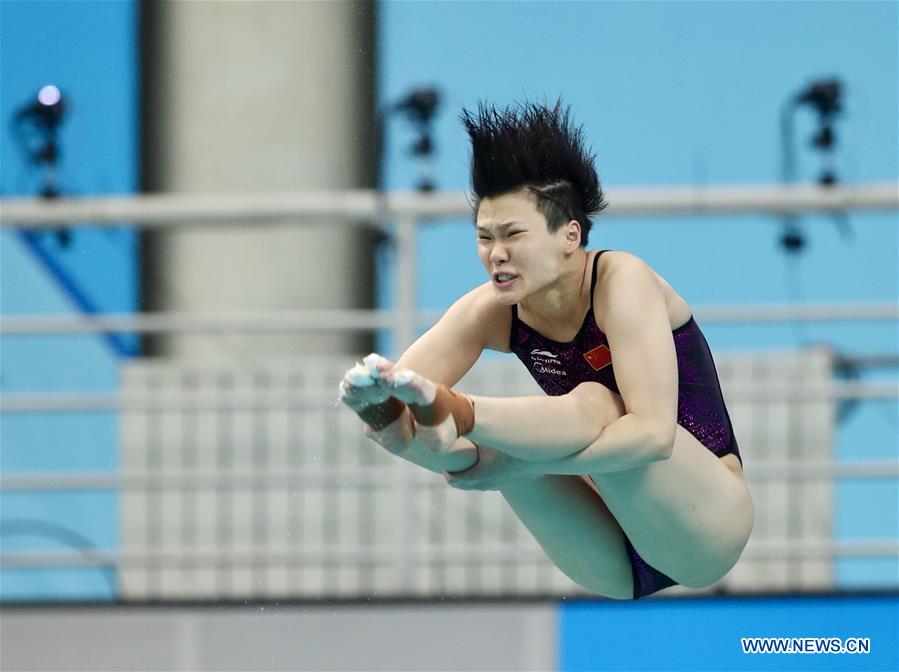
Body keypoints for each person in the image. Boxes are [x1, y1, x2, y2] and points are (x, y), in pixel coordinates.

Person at [339, 100, 753, 600]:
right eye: (484, 237)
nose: (496, 253)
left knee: (593, 406)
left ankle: (466, 413)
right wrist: (385, 420)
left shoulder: (621, 281)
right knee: (457, 443)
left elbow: (653, 438)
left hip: (704, 526)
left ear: (569, 236)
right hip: (611, 558)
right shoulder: (491, 307)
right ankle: (458, 419)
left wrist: (523, 461)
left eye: (514, 234)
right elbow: (405, 396)